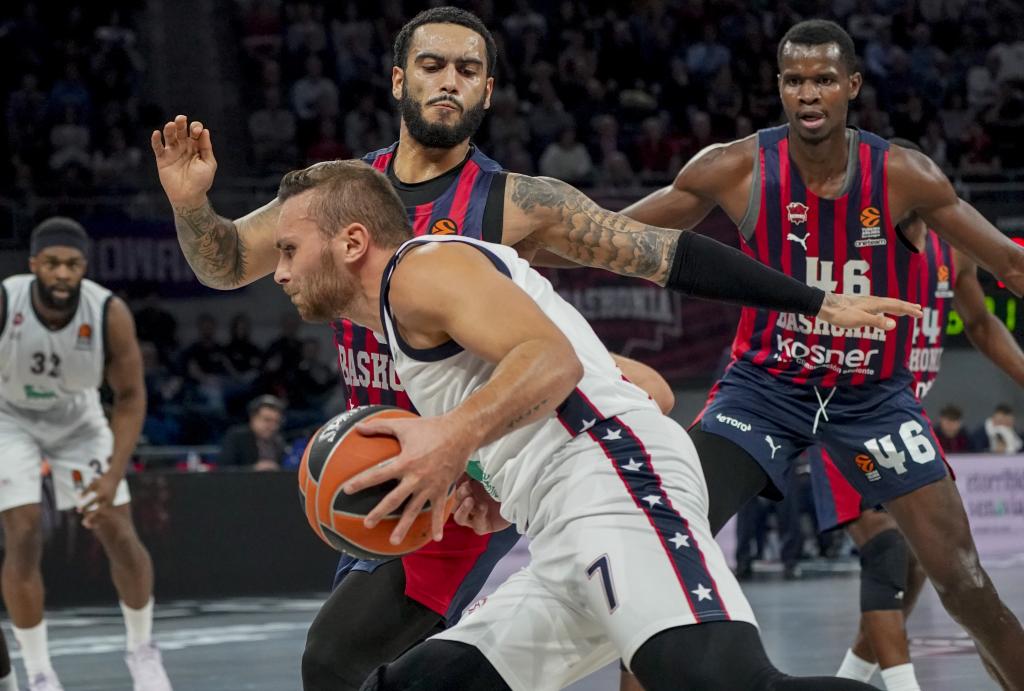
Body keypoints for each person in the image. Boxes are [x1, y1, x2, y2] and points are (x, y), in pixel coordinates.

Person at [151, 9, 917, 690]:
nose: (449, 81)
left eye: (468, 69)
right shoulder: (338, 200)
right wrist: (192, 207)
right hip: (478, 472)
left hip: (547, 464)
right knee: (389, 673)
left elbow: (655, 258)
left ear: (487, 91)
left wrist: (814, 299)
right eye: (432, 64)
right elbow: (224, 261)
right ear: (396, 80)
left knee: (713, 675)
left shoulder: (484, 223)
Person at [272, 157, 880, 691]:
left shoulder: (418, 271)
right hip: (568, 520)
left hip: (613, 480)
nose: (279, 272)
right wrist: (496, 484)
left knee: (726, 682)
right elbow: (648, 387)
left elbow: (551, 360)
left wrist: (455, 436)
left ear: (352, 242)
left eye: (289, 249)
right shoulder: (419, 311)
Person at [620, 20, 1024, 688]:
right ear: (780, 87)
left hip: (874, 396)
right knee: (666, 551)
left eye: (824, 80)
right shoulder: (737, 166)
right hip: (764, 388)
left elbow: (1009, 262)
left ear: (851, 87)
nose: (809, 93)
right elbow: (610, 234)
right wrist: (506, 246)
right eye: (796, 80)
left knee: (966, 583)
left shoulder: (902, 176)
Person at [809, 138, 1024, 691]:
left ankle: (848, 678)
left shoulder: (952, 253)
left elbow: (979, 326)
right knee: (886, 553)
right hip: (844, 411)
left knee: (935, 568)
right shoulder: (860, 245)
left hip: (903, 417)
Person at [0, 218, 172, 691]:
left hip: (78, 420)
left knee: (116, 527)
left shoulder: (107, 312)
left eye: (72, 264)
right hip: (9, 417)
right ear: (34, 264)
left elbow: (132, 397)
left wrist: (114, 473)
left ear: (84, 269)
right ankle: (39, 672)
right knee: (24, 530)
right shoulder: (6, 300)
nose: (61, 273)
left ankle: (142, 651)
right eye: (52, 263)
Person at [218, 394, 286, 470]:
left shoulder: (278, 441)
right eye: (267, 420)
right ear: (253, 418)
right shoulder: (237, 437)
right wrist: (253, 469)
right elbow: (223, 469)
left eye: (276, 422)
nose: (272, 426)